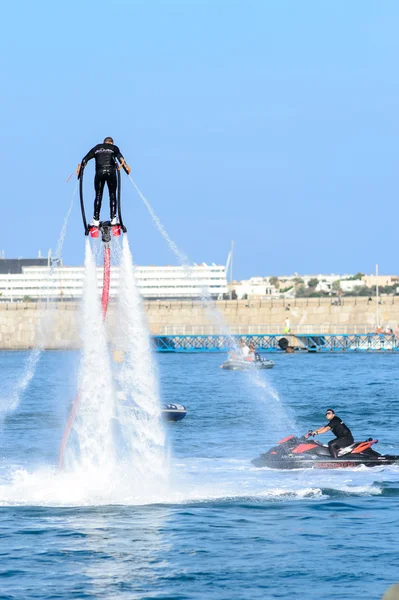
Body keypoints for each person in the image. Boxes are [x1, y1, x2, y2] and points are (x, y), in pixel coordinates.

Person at [77, 137, 131, 227]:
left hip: (99, 173)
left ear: (104, 142)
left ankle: (96, 220)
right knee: (113, 194)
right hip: (111, 173)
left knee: (98, 195)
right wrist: (127, 170)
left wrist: (80, 173)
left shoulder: (97, 148)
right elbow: (121, 159)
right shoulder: (114, 148)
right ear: (112, 143)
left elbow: (84, 160)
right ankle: (113, 219)